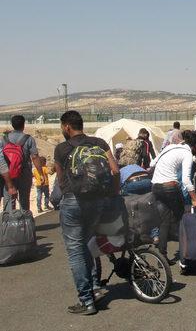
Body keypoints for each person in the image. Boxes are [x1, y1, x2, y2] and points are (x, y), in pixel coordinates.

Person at [54, 110, 120, 315]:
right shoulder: (99, 143)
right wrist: (113, 193)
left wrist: (65, 197)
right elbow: (115, 170)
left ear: (67, 126)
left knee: (75, 250)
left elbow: (60, 178)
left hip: (73, 202)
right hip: (99, 201)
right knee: (87, 244)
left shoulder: (62, 148)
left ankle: (86, 300)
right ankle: (95, 288)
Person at [150, 130, 196, 261]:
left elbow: (152, 164)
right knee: (182, 218)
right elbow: (186, 180)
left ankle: (162, 256)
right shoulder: (187, 153)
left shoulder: (169, 148)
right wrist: (195, 199)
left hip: (155, 186)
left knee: (164, 221)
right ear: (194, 146)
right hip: (170, 187)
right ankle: (187, 254)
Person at [1, 115, 44, 210]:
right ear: (23, 125)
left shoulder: (4, 139)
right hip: (24, 173)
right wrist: (40, 174)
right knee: (24, 200)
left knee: (9, 199)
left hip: (8, 174)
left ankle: (9, 222)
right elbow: (35, 157)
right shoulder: (29, 139)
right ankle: (24, 222)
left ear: (12, 125)